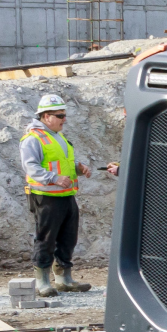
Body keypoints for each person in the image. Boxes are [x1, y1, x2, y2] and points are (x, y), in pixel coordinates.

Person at [21, 94, 119, 297]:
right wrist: (53, 178)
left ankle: (63, 278)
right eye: (59, 115)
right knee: (46, 239)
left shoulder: (57, 136)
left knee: (68, 238)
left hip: (66, 195)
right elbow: (30, 167)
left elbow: (61, 163)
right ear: (46, 116)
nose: (64, 119)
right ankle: (42, 280)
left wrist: (78, 168)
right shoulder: (33, 138)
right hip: (46, 196)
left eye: (64, 115)